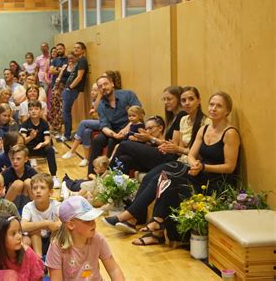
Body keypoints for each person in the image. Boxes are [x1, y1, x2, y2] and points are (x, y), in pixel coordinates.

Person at [130, 91, 241, 246]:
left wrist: (203, 166)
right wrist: (194, 163)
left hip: (217, 182)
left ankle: (159, 230)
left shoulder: (230, 133)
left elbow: (230, 167)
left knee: (176, 186)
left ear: (227, 111)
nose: (214, 108)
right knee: (167, 177)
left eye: (219, 106)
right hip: (200, 173)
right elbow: (191, 154)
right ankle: (158, 226)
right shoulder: (204, 129)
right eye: (212, 104)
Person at [103, 87, 211, 232]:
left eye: (191, 99)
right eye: (184, 100)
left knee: (124, 145)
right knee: (139, 169)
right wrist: (166, 145)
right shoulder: (183, 119)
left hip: (186, 163)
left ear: (199, 101)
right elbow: (175, 144)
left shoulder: (205, 122)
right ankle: (133, 218)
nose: (187, 103)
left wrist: (153, 140)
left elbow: (193, 153)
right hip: (177, 158)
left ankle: (110, 191)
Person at [46, 196, 125, 281]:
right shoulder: (56, 247)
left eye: (93, 219)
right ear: (70, 225)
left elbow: (114, 269)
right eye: (87, 221)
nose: (93, 223)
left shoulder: (98, 239)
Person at [111, 86, 186, 174]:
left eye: (169, 99)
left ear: (178, 99)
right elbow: (164, 141)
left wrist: (150, 138)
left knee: (124, 145)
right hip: (161, 151)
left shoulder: (181, 115)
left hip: (169, 157)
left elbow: (173, 147)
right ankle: (117, 185)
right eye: (164, 99)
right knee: (124, 159)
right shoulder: (171, 117)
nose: (166, 102)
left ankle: (106, 176)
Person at [87, 75, 141, 175]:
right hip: (113, 130)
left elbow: (139, 112)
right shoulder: (101, 105)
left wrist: (126, 128)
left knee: (112, 141)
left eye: (105, 84)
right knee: (97, 140)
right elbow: (104, 126)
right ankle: (92, 175)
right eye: (100, 86)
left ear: (112, 84)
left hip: (131, 127)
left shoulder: (128, 94)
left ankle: (109, 174)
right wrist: (114, 134)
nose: (103, 87)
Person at [0, 211, 44, 281]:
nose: (19, 236)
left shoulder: (28, 254)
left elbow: (38, 278)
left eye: (19, 231)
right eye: (13, 234)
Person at [20, 100, 59, 187]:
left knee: (50, 150)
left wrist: (42, 144)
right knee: (22, 151)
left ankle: (54, 176)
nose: (33, 111)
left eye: (36, 109)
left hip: (40, 147)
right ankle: (27, 177)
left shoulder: (44, 123)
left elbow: (47, 140)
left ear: (41, 111)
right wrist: (31, 137)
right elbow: (22, 141)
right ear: (28, 112)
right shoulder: (25, 124)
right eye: (31, 109)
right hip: (28, 148)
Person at [21, 173, 61, 257]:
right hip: (35, 242)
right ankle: (38, 259)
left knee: (58, 233)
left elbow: (60, 224)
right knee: (34, 231)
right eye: (35, 188)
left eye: (42, 188)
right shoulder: (28, 207)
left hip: (51, 240)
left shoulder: (56, 205)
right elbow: (23, 226)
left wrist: (54, 225)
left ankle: (54, 257)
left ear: (50, 192)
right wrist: (46, 223)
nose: (38, 191)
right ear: (31, 192)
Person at [61, 83, 100, 167]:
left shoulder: (102, 100)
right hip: (97, 123)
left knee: (83, 123)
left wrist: (94, 114)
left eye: (96, 90)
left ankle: (72, 150)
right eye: (92, 90)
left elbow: (100, 116)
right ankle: (86, 159)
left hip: (104, 123)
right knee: (86, 131)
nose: (92, 92)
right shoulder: (94, 100)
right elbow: (93, 116)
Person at [61, 42, 88, 141]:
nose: (75, 49)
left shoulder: (82, 61)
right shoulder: (79, 61)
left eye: (78, 48)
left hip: (71, 90)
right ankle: (66, 134)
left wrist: (70, 87)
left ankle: (66, 135)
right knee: (65, 112)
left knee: (66, 112)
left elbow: (80, 77)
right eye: (74, 47)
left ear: (83, 50)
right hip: (68, 89)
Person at [47, 43, 69, 133]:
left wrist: (57, 69)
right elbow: (51, 71)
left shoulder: (68, 59)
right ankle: (54, 126)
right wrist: (60, 69)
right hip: (54, 85)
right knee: (54, 106)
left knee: (61, 107)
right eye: (57, 49)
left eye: (60, 49)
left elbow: (67, 71)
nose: (59, 50)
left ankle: (60, 127)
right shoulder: (55, 60)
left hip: (63, 85)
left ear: (64, 49)